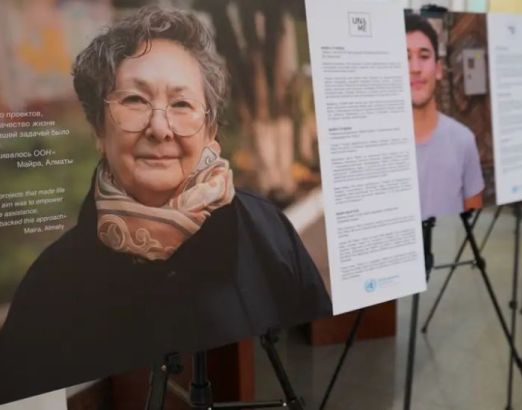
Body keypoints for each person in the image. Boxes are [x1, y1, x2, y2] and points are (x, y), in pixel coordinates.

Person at [0, 7, 331, 405]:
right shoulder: (48, 286)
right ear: (98, 129)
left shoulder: (268, 231)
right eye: (135, 100)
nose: (160, 129)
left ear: (210, 129)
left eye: (181, 105)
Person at [405, 13, 485, 219]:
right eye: (405, 57)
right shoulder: (378, 145)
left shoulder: (463, 140)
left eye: (424, 56)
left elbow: (473, 218)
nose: (415, 68)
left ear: (438, 69)